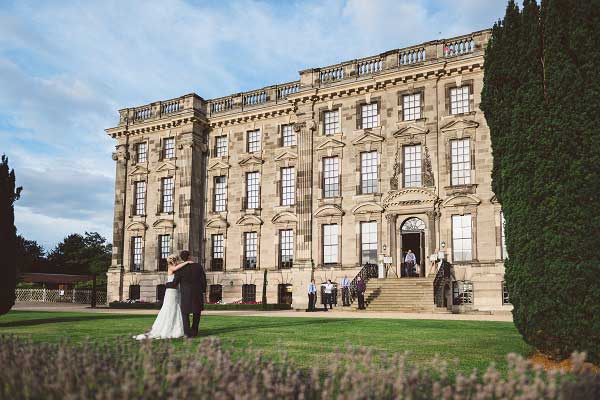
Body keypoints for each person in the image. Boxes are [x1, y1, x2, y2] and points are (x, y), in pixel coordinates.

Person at [133, 255, 190, 340]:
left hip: (176, 291)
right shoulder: (171, 268)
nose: (177, 261)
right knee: (170, 308)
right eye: (176, 260)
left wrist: (184, 263)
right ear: (173, 261)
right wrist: (187, 262)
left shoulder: (177, 269)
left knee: (176, 308)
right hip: (171, 291)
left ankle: (176, 329)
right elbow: (176, 268)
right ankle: (169, 329)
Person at [165, 250, 207, 338]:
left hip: (186, 294)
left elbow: (174, 283)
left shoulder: (180, 269)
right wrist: (203, 290)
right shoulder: (198, 266)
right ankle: (194, 331)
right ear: (189, 257)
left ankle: (187, 333)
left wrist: (166, 284)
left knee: (185, 313)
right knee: (197, 313)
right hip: (197, 292)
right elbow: (203, 280)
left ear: (181, 258)